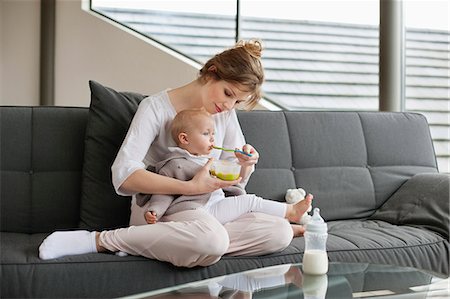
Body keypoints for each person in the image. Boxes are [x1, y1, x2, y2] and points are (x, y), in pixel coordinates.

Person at [39, 39, 296, 267]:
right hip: (160, 211)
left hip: (209, 212)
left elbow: (234, 179)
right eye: (228, 93)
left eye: (237, 102)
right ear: (211, 73)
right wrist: (192, 188)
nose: (229, 105)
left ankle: (168, 246)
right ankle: (101, 240)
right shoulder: (154, 108)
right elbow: (124, 175)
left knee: (278, 232)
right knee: (211, 239)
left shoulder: (224, 114)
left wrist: (246, 164)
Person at [140, 108, 312, 237]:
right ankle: (290, 212)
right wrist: (155, 210)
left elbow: (236, 181)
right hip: (201, 210)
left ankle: (288, 228)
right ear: (185, 139)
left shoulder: (209, 161)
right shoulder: (175, 164)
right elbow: (163, 191)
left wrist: (243, 163)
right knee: (249, 202)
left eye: (213, 133)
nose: (213, 139)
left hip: (217, 206)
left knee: (251, 216)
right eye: (206, 133)